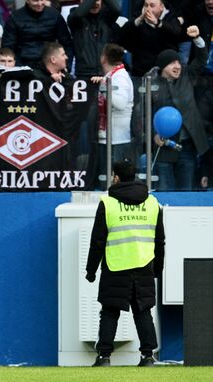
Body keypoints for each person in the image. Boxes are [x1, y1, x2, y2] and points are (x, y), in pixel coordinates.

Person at [86, 160, 165, 367]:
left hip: (115, 265)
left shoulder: (108, 203)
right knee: (143, 311)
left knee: (110, 311)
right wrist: (158, 269)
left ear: (117, 177)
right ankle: (148, 357)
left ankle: (104, 357)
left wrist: (90, 270)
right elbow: (159, 241)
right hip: (144, 264)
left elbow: (97, 241)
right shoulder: (153, 203)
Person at [151, 26, 209, 191]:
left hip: (186, 146)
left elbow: (201, 59)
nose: (177, 66)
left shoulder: (187, 76)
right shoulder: (151, 84)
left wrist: (197, 38)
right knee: (164, 193)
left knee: (186, 193)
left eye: (178, 62)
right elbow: (144, 115)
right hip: (163, 148)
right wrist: (152, 135)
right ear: (162, 67)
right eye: (172, 63)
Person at [90, 43, 134, 186]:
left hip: (117, 140)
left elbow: (120, 103)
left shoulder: (120, 77)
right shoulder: (111, 75)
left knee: (114, 183)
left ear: (103, 58)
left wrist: (104, 88)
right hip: (109, 137)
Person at [115, 0, 184, 76]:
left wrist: (158, 23)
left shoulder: (171, 17)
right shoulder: (138, 16)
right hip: (141, 69)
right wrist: (138, 20)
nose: (148, 9)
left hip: (165, 70)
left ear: (161, 7)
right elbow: (122, 35)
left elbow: (176, 32)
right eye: (146, 5)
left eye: (152, 5)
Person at [2, 0, 73, 68]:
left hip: (51, 64)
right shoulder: (15, 17)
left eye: (42, 0)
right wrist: (17, 67)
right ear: (27, 1)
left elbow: (66, 43)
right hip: (24, 64)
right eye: (35, 0)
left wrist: (65, 67)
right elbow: (8, 47)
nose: (39, 3)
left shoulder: (55, 15)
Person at [67, 0, 121, 80]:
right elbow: (78, 15)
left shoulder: (106, 17)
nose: (95, 3)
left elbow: (117, 9)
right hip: (84, 74)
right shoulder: (75, 17)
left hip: (106, 73)